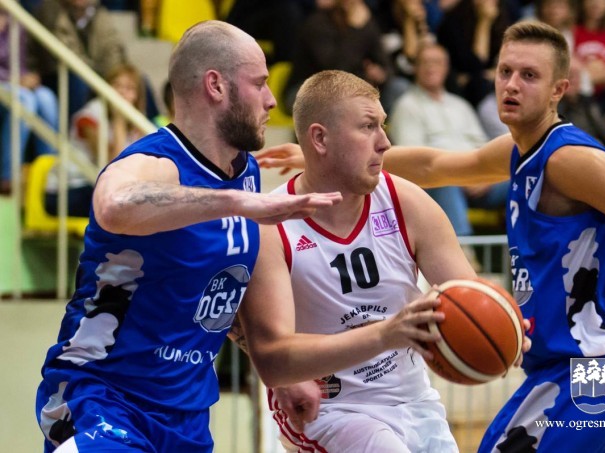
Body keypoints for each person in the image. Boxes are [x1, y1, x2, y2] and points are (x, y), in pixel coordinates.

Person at [256, 21, 605, 451]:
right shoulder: (519, 153)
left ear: (559, 90)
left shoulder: (570, 159)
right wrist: (317, 156)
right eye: (505, 72)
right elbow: (435, 166)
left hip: (597, 365)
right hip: (556, 369)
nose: (511, 85)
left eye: (529, 76)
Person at [35, 21, 446, 452]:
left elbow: (219, 300)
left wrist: (283, 376)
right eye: (259, 83)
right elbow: (112, 204)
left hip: (185, 412)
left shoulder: (244, 171)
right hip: (102, 396)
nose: (271, 100)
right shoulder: (157, 161)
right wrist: (237, 203)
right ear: (216, 86)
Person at [240, 68, 475, 452]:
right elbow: (273, 357)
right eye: (368, 127)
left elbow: (469, 298)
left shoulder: (407, 202)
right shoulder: (272, 226)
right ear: (320, 138)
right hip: (331, 409)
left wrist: (504, 323)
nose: (385, 143)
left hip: (416, 400)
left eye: (383, 125)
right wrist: (385, 333)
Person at [390, 42, 507, 239]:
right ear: (415, 68)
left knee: (524, 174)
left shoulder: (460, 105)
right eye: (425, 62)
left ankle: (531, 245)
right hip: (439, 182)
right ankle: (464, 250)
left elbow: (483, 146)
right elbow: (413, 161)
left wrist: (486, 176)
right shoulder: (406, 106)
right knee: (443, 179)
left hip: (479, 179)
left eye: (437, 62)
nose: (431, 67)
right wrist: (461, 174)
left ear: (446, 67)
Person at [43, 63, 146, 217]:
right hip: (67, 190)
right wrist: (118, 120)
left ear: (137, 96)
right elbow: (113, 164)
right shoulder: (88, 117)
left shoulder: (136, 124)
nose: (122, 92)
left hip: (97, 189)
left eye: (130, 88)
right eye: (117, 85)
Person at [0, 6, 58, 194]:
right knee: (25, 100)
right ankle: (9, 176)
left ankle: (48, 172)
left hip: (13, 83)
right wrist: (14, 80)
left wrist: (29, 77)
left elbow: (21, 63)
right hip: (6, 83)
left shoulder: (16, 21)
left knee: (46, 97)